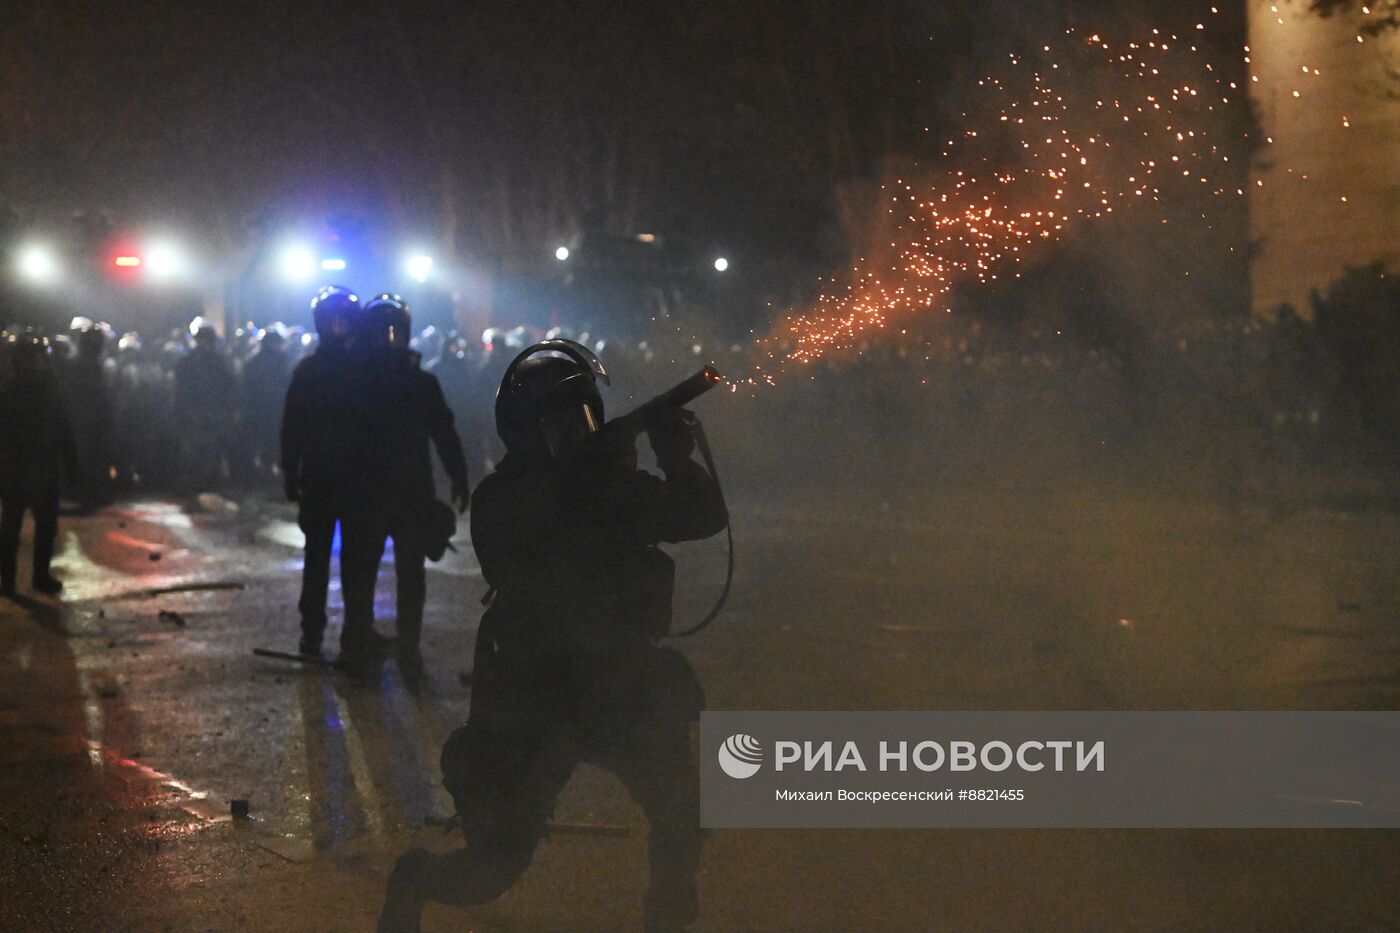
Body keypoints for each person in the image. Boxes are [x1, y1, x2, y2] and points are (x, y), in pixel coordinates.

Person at [378, 339, 727, 932]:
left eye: (587, 418)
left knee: (681, 808)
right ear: (523, 430)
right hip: (534, 690)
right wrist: (624, 473)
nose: (579, 433)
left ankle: (667, 917)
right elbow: (551, 536)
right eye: (562, 422)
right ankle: (417, 881)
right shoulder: (507, 496)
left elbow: (701, 516)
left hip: (617, 677)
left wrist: (672, 456)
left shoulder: (605, 486)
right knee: (494, 867)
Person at [338, 294, 469, 669]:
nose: (391, 339)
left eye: (396, 332)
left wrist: (458, 473)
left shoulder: (412, 382)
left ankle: (398, 644)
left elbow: (444, 432)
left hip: (398, 496)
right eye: (384, 333)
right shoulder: (366, 381)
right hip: (379, 495)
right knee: (367, 573)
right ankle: (362, 641)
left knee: (401, 573)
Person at [280, 287, 372, 657]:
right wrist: (290, 470)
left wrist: (291, 471)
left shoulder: (315, 370)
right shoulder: (314, 371)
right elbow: (292, 427)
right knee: (322, 560)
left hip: (339, 480)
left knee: (345, 561)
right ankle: (316, 632)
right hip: (327, 479)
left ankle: (348, 634)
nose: (337, 327)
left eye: (342, 320)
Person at [0, 333, 78, 597]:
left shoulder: (16, 389)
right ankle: (31, 578)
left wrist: (70, 465)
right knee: (29, 524)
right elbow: (63, 429)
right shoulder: (39, 388)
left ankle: (16, 580)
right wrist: (71, 466)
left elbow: (63, 429)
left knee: (18, 524)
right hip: (33, 467)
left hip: (24, 467)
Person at [172, 319, 236, 491]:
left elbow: (179, 392)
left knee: (194, 452)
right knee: (212, 450)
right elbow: (231, 387)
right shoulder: (221, 361)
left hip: (193, 414)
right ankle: (210, 484)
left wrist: (180, 413)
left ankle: (195, 485)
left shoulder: (184, 362)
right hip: (214, 414)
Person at [238, 324, 292, 482]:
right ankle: (276, 475)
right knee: (277, 443)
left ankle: (264, 473)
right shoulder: (282, 361)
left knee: (262, 442)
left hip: (258, 411)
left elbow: (245, 389)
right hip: (277, 410)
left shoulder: (253, 362)